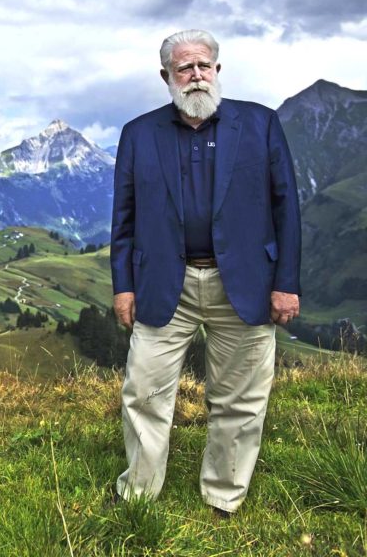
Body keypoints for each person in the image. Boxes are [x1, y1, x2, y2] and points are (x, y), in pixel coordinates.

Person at [110, 29, 301, 517]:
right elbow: (124, 218)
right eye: (184, 69)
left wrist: (286, 283)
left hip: (245, 282)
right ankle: (139, 494)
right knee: (144, 391)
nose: (195, 76)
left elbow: (287, 208)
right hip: (162, 283)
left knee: (240, 397)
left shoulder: (259, 124)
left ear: (218, 70)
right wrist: (123, 287)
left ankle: (223, 496)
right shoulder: (138, 133)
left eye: (203, 66)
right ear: (165, 77)